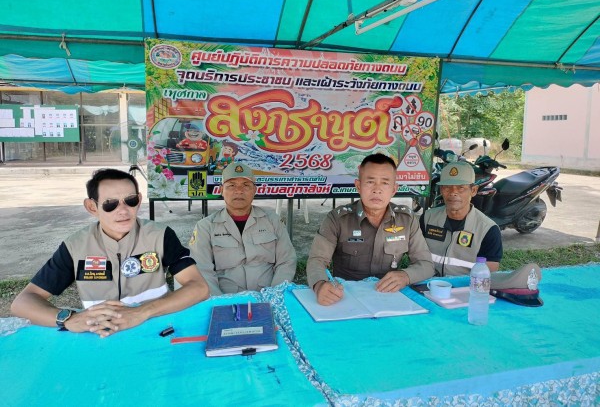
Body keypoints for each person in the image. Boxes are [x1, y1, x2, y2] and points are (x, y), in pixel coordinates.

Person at [11, 168, 209, 337]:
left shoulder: (159, 235)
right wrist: (68, 319)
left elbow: (199, 287)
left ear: (139, 200)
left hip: (157, 329)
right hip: (101, 336)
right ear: (92, 207)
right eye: (110, 204)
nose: (123, 210)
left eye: (130, 200)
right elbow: (23, 302)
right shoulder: (75, 246)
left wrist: (142, 312)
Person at [306, 153, 434, 306]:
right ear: (358, 186)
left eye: (385, 183)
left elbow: (425, 264)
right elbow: (317, 260)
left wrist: (406, 276)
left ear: (394, 189)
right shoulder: (338, 219)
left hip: (389, 298)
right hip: (345, 298)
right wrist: (320, 285)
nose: (377, 190)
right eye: (370, 182)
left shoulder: (407, 220)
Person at [189, 162, 297, 295]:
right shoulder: (205, 227)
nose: (239, 190)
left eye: (246, 185)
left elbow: (286, 261)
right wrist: (220, 302)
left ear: (254, 190)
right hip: (226, 298)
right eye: (231, 185)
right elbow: (202, 270)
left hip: (268, 295)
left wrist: (274, 295)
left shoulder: (272, 220)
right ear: (221, 190)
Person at [420, 161, 502, 276]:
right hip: (428, 282)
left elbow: (488, 272)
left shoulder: (488, 229)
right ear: (441, 190)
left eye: (461, 188)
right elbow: (416, 256)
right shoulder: (427, 218)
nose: (453, 193)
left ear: (473, 190)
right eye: (447, 187)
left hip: (465, 285)